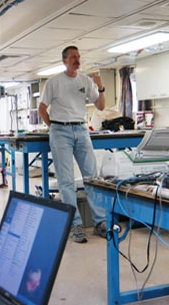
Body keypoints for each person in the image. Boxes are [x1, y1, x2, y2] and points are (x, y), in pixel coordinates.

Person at [38, 45, 107, 243]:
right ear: (64, 61)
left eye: (78, 56)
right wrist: (54, 127)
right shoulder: (54, 82)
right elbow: (42, 108)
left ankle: (100, 222)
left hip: (81, 130)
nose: (77, 60)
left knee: (92, 177)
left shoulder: (85, 80)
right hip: (60, 131)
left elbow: (101, 105)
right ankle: (75, 224)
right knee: (66, 181)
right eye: (73, 57)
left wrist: (100, 87)